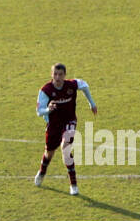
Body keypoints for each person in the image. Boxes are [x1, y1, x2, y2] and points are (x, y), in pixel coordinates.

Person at [33, 63, 96, 197]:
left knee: (66, 147)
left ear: (64, 75)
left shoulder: (71, 85)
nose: (57, 77)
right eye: (55, 74)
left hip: (69, 121)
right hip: (53, 124)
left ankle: (73, 184)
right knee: (49, 153)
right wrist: (48, 110)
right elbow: (39, 111)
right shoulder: (46, 90)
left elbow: (84, 85)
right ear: (52, 75)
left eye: (60, 74)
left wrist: (91, 103)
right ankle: (42, 172)